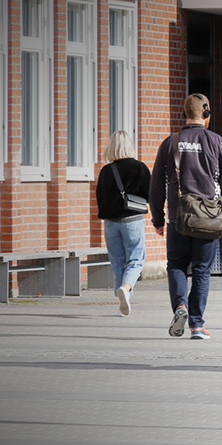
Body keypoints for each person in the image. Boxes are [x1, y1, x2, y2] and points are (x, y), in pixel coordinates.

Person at [149, 94, 222, 339]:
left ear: (184, 113)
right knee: (201, 270)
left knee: (176, 265)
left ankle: (180, 306)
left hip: (178, 217)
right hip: (208, 219)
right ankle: (196, 325)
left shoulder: (170, 143)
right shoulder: (218, 143)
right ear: (207, 114)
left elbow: (156, 184)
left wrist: (157, 219)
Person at [95, 130, 151, 317]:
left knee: (118, 263)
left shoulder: (105, 171)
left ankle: (123, 301)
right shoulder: (139, 168)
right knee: (135, 260)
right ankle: (126, 289)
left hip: (111, 223)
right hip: (133, 221)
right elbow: (150, 193)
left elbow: (100, 197)